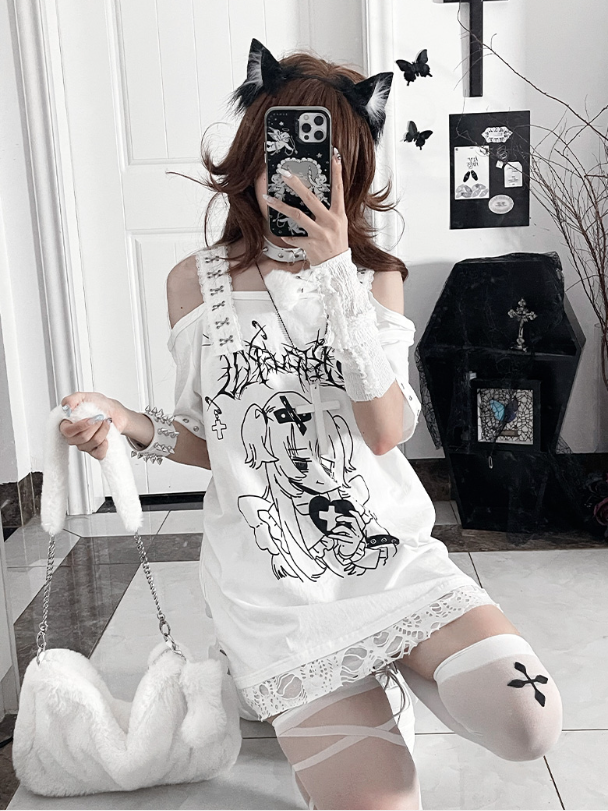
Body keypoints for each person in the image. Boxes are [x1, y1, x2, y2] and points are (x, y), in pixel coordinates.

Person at [59, 39, 563, 811]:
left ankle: (390, 668)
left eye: (323, 158)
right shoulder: (195, 283)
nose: (296, 176)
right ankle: (332, 689)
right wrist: (126, 422)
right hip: (277, 588)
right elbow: (217, 441)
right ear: (253, 154)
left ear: (350, 169)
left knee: (531, 720)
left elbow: (385, 431)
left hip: (386, 555)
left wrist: (335, 280)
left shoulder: (376, 277)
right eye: (282, 151)